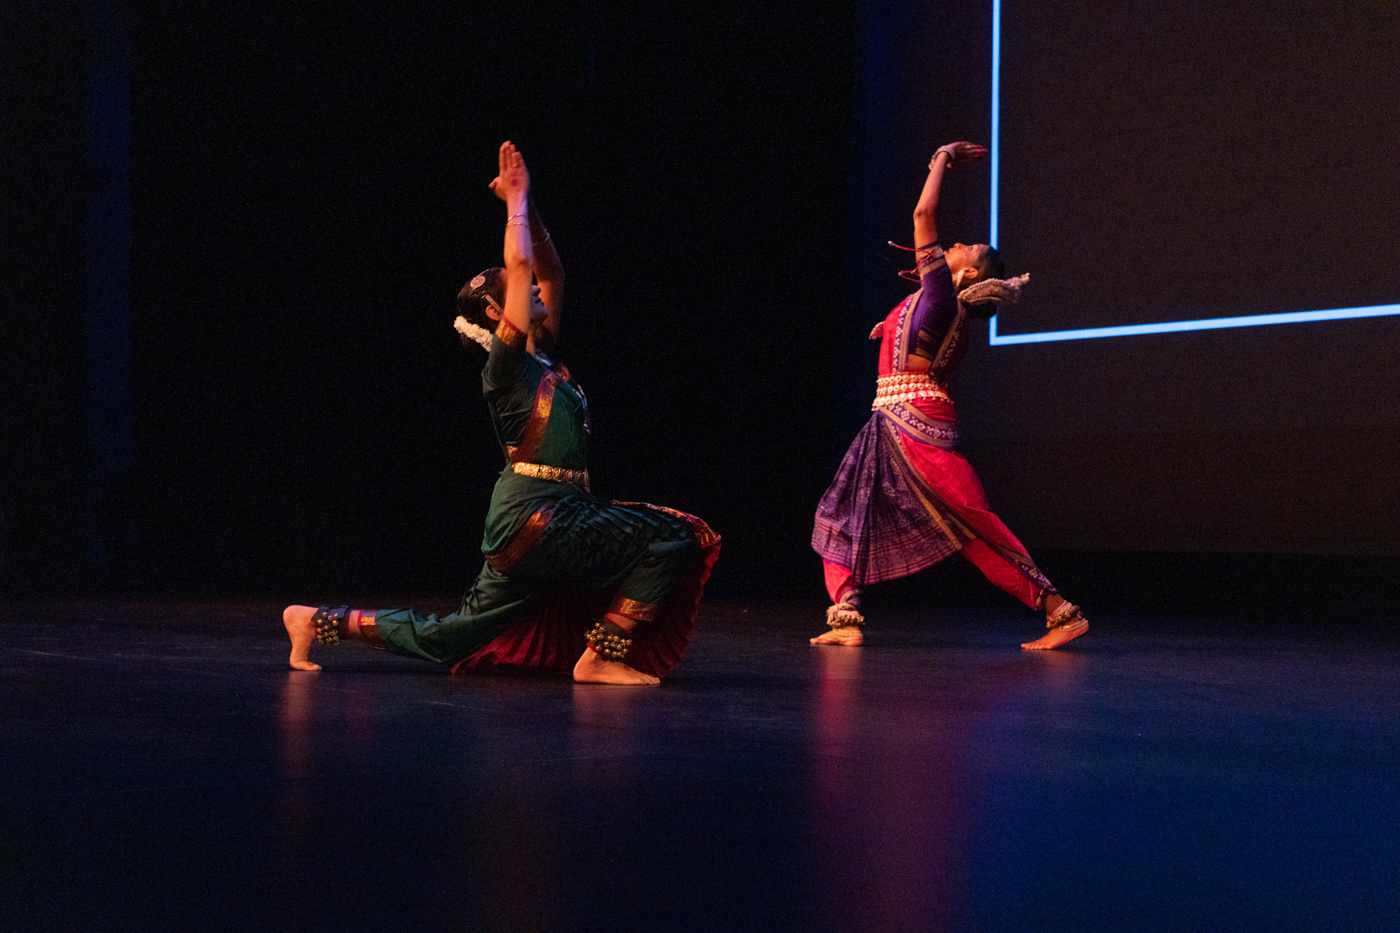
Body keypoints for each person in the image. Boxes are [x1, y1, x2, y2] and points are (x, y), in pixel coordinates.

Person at [283, 141, 720, 684]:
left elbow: (551, 272)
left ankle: (317, 621)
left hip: (530, 522)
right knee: (673, 536)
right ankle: (603, 655)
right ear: (495, 311)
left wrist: (529, 205)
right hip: (542, 518)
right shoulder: (506, 366)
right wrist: (513, 202)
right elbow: (520, 264)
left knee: (456, 636)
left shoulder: (546, 354)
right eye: (517, 288)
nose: (532, 286)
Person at [811, 140, 1087, 650]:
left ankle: (1059, 610)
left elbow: (922, 213)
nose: (956, 244)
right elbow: (916, 336)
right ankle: (844, 616)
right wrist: (888, 326)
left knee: (969, 517)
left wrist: (940, 159)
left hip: (913, 419)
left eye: (967, 248)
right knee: (842, 512)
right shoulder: (935, 303)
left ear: (968, 275)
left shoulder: (941, 295)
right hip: (892, 418)